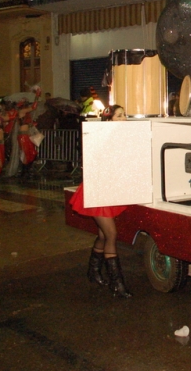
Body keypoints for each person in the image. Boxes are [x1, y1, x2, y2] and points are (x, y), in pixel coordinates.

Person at [69, 104, 132, 298]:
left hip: (108, 190)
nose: (124, 119)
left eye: (124, 115)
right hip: (98, 189)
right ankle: (117, 284)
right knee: (111, 234)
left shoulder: (122, 137)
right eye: (119, 116)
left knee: (104, 235)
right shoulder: (101, 137)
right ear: (109, 119)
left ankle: (93, 271)